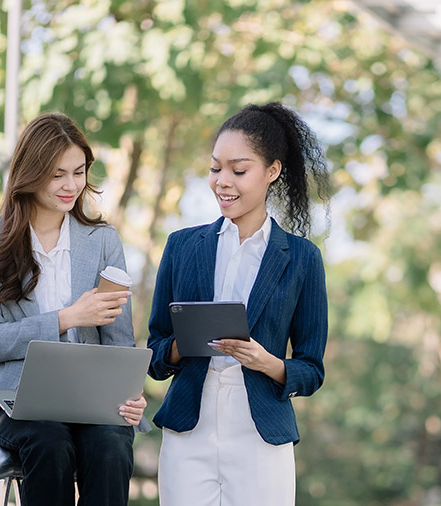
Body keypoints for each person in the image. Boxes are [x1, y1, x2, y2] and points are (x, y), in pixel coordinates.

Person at [147, 102, 330, 505]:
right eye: (215, 168)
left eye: (238, 170)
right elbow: (154, 353)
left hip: (261, 434)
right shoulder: (181, 247)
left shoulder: (302, 259)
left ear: (272, 172)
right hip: (187, 430)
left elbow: (311, 369)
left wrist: (268, 362)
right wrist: (182, 344)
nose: (222, 181)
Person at [0, 112, 147, 506]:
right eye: (57, 174)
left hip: (90, 397)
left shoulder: (101, 241)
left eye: (78, 172)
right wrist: (67, 319)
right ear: (29, 173)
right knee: (50, 441)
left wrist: (130, 393)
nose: (71, 185)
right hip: (11, 397)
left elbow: (119, 342)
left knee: (111, 447)